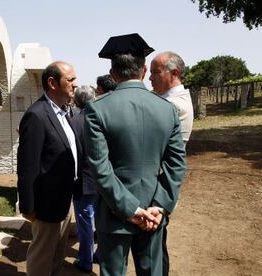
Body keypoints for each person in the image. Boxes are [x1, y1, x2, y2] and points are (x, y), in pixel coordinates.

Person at [84, 33, 186, 276]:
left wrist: (131, 210)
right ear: (142, 72)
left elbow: (100, 169)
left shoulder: (97, 110)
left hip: (113, 214)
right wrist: (158, 207)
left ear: (113, 74)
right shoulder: (167, 110)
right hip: (153, 215)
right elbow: (176, 165)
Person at [17, 61, 81, 276]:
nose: (75, 84)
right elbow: (27, 166)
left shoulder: (66, 113)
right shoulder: (36, 115)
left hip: (65, 199)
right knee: (41, 259)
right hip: (46, 203)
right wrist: (28, 206)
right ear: (53, 83)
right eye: (70, 79)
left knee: (57, 256)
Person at [150, 51, 194, 275]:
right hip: (160, 182)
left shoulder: (174, 106)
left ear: (174, 73)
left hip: (159, 186)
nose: (150, 78)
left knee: (154, 252)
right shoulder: (170, 101)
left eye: (155, 72)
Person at [70, 85, 96, 273]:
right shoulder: (103, 119)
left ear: (77, 101)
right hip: (104, 182)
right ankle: (100, 253)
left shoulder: (73, 123)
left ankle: (85, 261)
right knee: (102, 220)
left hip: (83, 183)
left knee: (85, 224)